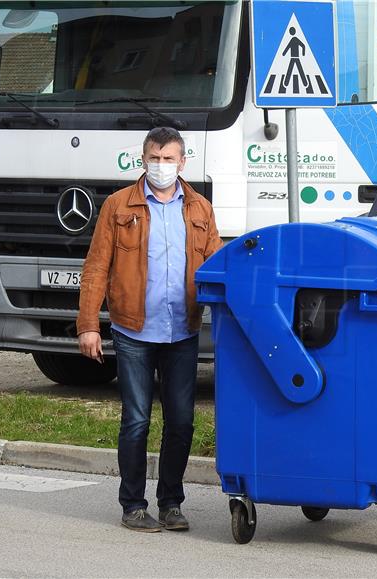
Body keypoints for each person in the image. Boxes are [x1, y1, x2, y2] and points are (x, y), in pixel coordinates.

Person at [77, 127, 222, 532]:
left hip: (182, 331)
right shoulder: (119, 206)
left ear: (182, 162)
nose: (162, 166)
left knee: (181, 422)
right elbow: (96, 268)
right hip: (133, 330)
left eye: (169, 159)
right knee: (136, 420)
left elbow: (216, 265)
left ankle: (171, 503)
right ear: (143, 160)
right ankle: (133, 506)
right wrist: (88, 325)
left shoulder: (199, 209)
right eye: (155, 158)